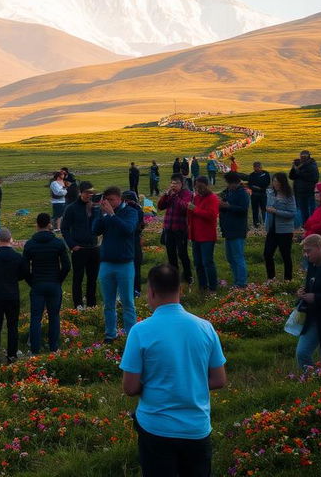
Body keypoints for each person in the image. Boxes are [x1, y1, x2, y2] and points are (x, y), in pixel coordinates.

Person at [120, 263, 227, 477]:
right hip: (196, 428)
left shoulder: (140, 331)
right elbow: (219, 379)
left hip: (156, 428)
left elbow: (130, 388)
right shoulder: (205, 327)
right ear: (180, 290)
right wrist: (188, 383)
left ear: (150, 292)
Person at [92, 187, 139, 341]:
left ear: (120, 199)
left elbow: (128, 229)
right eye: (107, 200)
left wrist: (112, 215)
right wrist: (101, 214)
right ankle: (110, 334)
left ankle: (131, 335)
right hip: (106, 263)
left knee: (127, 302)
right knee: (108, 303)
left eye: (112, 200)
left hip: (125, 263)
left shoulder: (130, 212)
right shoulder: (105, 213)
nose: (109, 203)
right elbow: (95, 230)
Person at [23, 213, 70, 353]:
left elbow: (24, 268)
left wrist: (32, 281)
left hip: (37, 283)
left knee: (36, 317)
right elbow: (67, 266)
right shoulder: (57, 243)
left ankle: (35, 350)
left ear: (37, 225)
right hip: (54, 283)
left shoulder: (30, 244)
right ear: (50, 224)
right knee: (54, 316)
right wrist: (58, 280)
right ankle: (53, 347)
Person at [0, 227, 29, 364]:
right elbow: (24, 274)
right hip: (13, 294)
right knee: (12, 326)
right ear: (10, 239)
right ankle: (12, 355)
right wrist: (14, 279)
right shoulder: (18, 256)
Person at [61, 181, 101, 309]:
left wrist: (95, 208)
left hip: (94, 248)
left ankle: (91, 304)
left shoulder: (96, 207)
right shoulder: (71, 208)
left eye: (91, 193)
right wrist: (72, 245)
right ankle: (78, 304)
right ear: (80, 193)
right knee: (78, 278)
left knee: (92, 278)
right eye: (86, 193)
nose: (89, 195)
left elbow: (99, 224)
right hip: (79, 249)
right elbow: (64, 228)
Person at [295, 234, 321, 369]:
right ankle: (309, 382)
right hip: (314, 316)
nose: (306, 255)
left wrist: (317, 297)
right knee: (302, 353)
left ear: (320, 247)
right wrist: (302, 293)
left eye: (308, 251)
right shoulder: (312, 263)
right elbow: (311, 284)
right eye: (304, 251)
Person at [157, 175, 193, 284]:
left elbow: (184, 207)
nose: (173, 185)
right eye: (172, 183)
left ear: (182, 184)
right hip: (169, 228)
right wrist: (165, 195)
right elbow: (160, 206)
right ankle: (174, 277)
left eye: (176, 183)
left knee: (182, 253)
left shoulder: (187, 194)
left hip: (180, 228)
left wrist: (176, 196)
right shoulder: (170, 194)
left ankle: (188, 276)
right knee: (170, 253)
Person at [187, 177, 220, 292]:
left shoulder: (212, 198)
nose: (198, 189)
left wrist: (195, 209)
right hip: (195, 235)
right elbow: (191, 215)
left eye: (201, 187)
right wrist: (189, 209)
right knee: (198, 263)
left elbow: (211, 215)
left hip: (207, 236)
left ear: (207, 186)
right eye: (196, 187)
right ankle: (202, 286)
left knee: (207, 262)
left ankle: (213, 287)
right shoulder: (196, 198)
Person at [264, 172, 297, 282]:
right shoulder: (270, 193)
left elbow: (292, 213)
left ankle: (288, 279)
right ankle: (271, 278)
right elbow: (268, 205)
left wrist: (276, 211)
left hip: (285, 230)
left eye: (277, 181)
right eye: (273, 181)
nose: (275, 184)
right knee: (267, 253)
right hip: (272, 228)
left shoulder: (289, 196)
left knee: (285, 255)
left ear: (283, 182)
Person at [218, 172, 249, 288]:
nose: (228, 185)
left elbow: (243, 209)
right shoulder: (229, 191)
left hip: (237, 229)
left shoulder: (242, 193)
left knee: (238, 256)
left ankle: (241, 283)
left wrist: (228, 206)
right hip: (228, 229)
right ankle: (237, 280)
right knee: (230, 257)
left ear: (234, 183)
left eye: (229, 183)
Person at [123, 190, 145, 296]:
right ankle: (133, 289)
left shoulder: (137, 210)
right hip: (128, 240)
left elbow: (139, 226)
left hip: (133, 239)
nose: (128, 203)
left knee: (135, 265)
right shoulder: (123, 209)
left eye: (129, 200)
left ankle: (136, 289)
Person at [289, 151, 320, 225]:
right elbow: (291, 177)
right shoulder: (301, 166)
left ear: (308, 156)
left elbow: (312, 177)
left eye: (304, 157)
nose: (302, 158)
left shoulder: (312, 165)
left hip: (309, 192)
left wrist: (298, 169)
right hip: (300, 192)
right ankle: (305, 226)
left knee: (310, 211)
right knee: (302, 211)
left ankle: (312, 225)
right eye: (301, 156)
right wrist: (293, 168)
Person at [304, 183, 321, 249]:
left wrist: (309, 230)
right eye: (314, 193)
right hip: (316, 244)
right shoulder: (320, 206)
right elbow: (309, 223)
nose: (315, 195)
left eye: (317, 192)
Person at [246, 162, 271, 228]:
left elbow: (267, 183)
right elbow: (250, 184)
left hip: (263, 194)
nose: (257, 168)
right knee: (255, 210)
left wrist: (261, 188)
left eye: (258, 167)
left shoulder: (266, 173)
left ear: (261, 167)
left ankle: (265, 223)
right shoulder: (252, 175)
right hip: (254, 195)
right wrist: (256, 187)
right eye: (255, 167)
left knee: (264, 209)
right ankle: (256, 224)